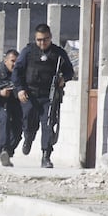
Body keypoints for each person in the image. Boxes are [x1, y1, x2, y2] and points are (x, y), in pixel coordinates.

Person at [12, 23, 74, 168]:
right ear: (35, 38)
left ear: (50, 38)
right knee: (28, 122)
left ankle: (46, 156)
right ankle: (28, 137)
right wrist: (20, 89)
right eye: (39, 40)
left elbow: (69, 71)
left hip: (49, 96)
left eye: (45, 39)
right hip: (30, 94)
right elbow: (17, 72)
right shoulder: (28, 51)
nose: (42, 43)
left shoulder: (58, 53)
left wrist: (63, 79)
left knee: (48, 124)